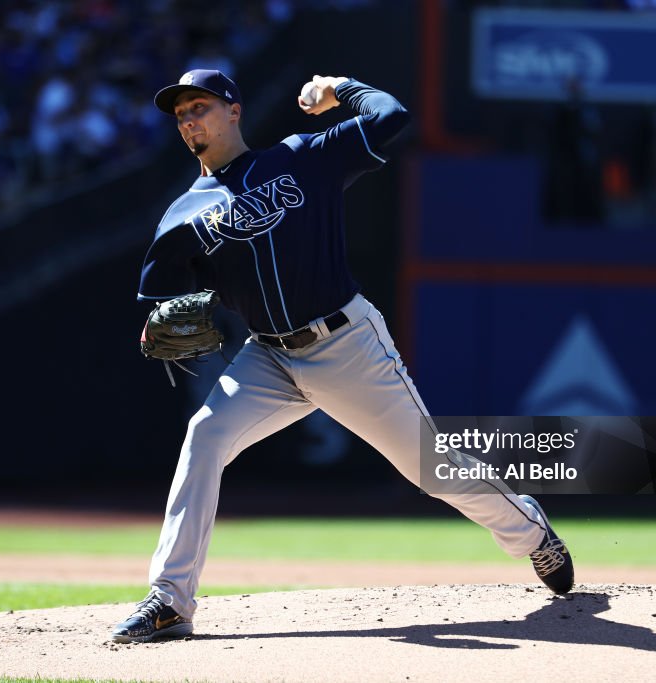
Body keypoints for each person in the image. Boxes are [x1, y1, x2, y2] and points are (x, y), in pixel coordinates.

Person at [111, 70, 575, 643]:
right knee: (204, 437)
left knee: (432, 471)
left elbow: (392, 116)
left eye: (199, 106)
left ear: (235, 110)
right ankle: (170, 600)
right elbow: (173, 299)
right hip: (268, 358)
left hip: (346, 344)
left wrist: (341, 88)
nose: (189, 120)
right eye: (180, 114)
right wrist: (165, 319)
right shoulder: (182, 215)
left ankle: (531, 532)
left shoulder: (300, 157)